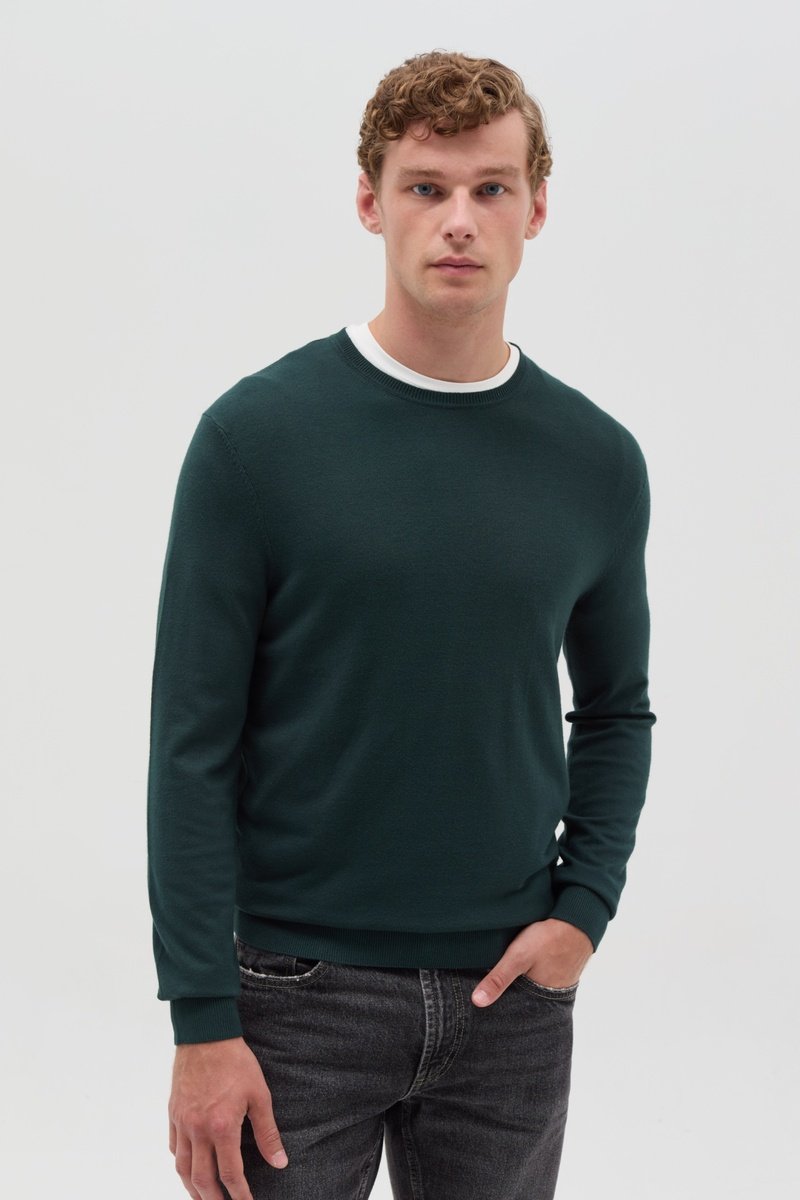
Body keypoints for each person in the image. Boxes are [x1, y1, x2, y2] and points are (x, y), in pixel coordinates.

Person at [147, 48, 656, 1200]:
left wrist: (582, 912)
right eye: (425, 187)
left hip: (509, 1001)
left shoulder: (594, 461)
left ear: (535, 208)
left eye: (489, 188)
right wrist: (201, 1020)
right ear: (370, 202)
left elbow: (614, 711)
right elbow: (190, 746)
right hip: (292, 999)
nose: (457, 220)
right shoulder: (255, 441)